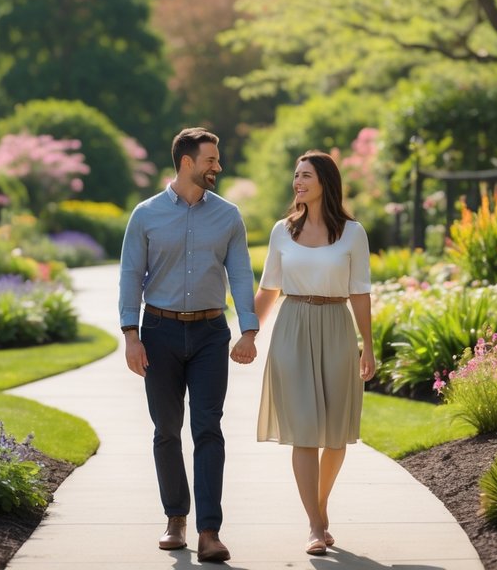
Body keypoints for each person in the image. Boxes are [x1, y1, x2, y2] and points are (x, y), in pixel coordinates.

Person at [118, 127, 260, 564]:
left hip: (209, 334)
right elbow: (130, 276)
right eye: (211, 160)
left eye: (217, 159)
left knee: (208, 429)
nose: (217, 166)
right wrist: (130, 335)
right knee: (165, 431)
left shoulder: (229, 216)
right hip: (158, 332)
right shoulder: (145, 214)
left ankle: (209, 530)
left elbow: (240, 275)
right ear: (186, 162)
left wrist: (249, 330)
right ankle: (176, 517)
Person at [247, 149, 375, 557]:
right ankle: (315, 524)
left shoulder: (353, 233)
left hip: (337, 327)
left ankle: (319, 507)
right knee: (304, 430)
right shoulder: (282, 231)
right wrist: (248, 334)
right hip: (293, 328)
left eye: (306, 176)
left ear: (325, 182)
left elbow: (360, 292)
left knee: (335, 435)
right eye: (296, 176)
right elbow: (269, 288)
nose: (298, 183)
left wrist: (367, 346)